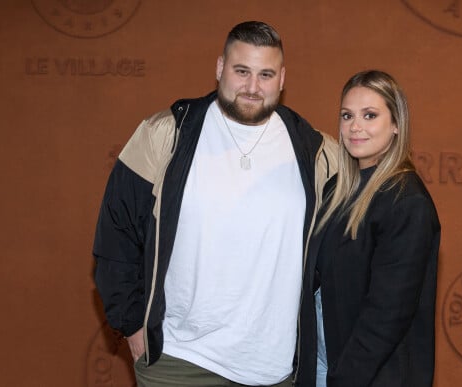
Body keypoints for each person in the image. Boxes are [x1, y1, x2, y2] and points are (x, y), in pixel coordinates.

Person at [93, 21, 337, 387]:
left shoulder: (317, 153)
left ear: (282, 78)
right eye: (242, 71)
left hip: (273, 369)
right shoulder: (164, 134)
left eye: (265, 74)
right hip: (179, 362)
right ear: (220, 67)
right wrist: (130, 323)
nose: (253, 87)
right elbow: (117, 232)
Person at [294, 70, 440, 387]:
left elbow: (387, 314)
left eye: (369, 115)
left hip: (366, 375)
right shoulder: (337, 190)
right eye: (347, 115)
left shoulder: (406, 202)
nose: (355, 127)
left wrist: (343, 378)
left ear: (396, 124)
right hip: (322, 360)